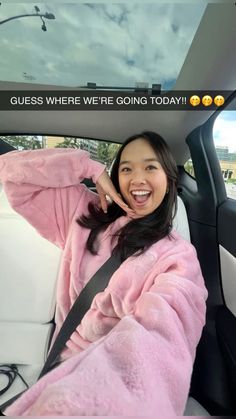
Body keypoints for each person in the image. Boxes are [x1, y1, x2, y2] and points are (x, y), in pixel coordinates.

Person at [0, 131, 207, 416]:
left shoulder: (178, 256)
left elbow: (162, 331)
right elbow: (11, 173)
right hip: (58, 370)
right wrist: (89, 169)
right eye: (126, 168)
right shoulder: (84, 212)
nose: (137, 178)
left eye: (150, 166)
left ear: (169, 178)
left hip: (113, 389)